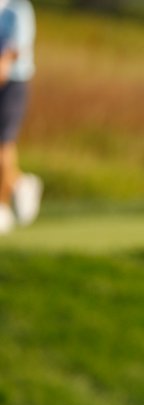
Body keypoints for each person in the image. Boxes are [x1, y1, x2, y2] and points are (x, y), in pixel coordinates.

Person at [0, 0, 41, 235]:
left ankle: (2, 208)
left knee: (3, 147)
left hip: (13, 86)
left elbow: (12, 53)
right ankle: (20, 183)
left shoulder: (19, 8)